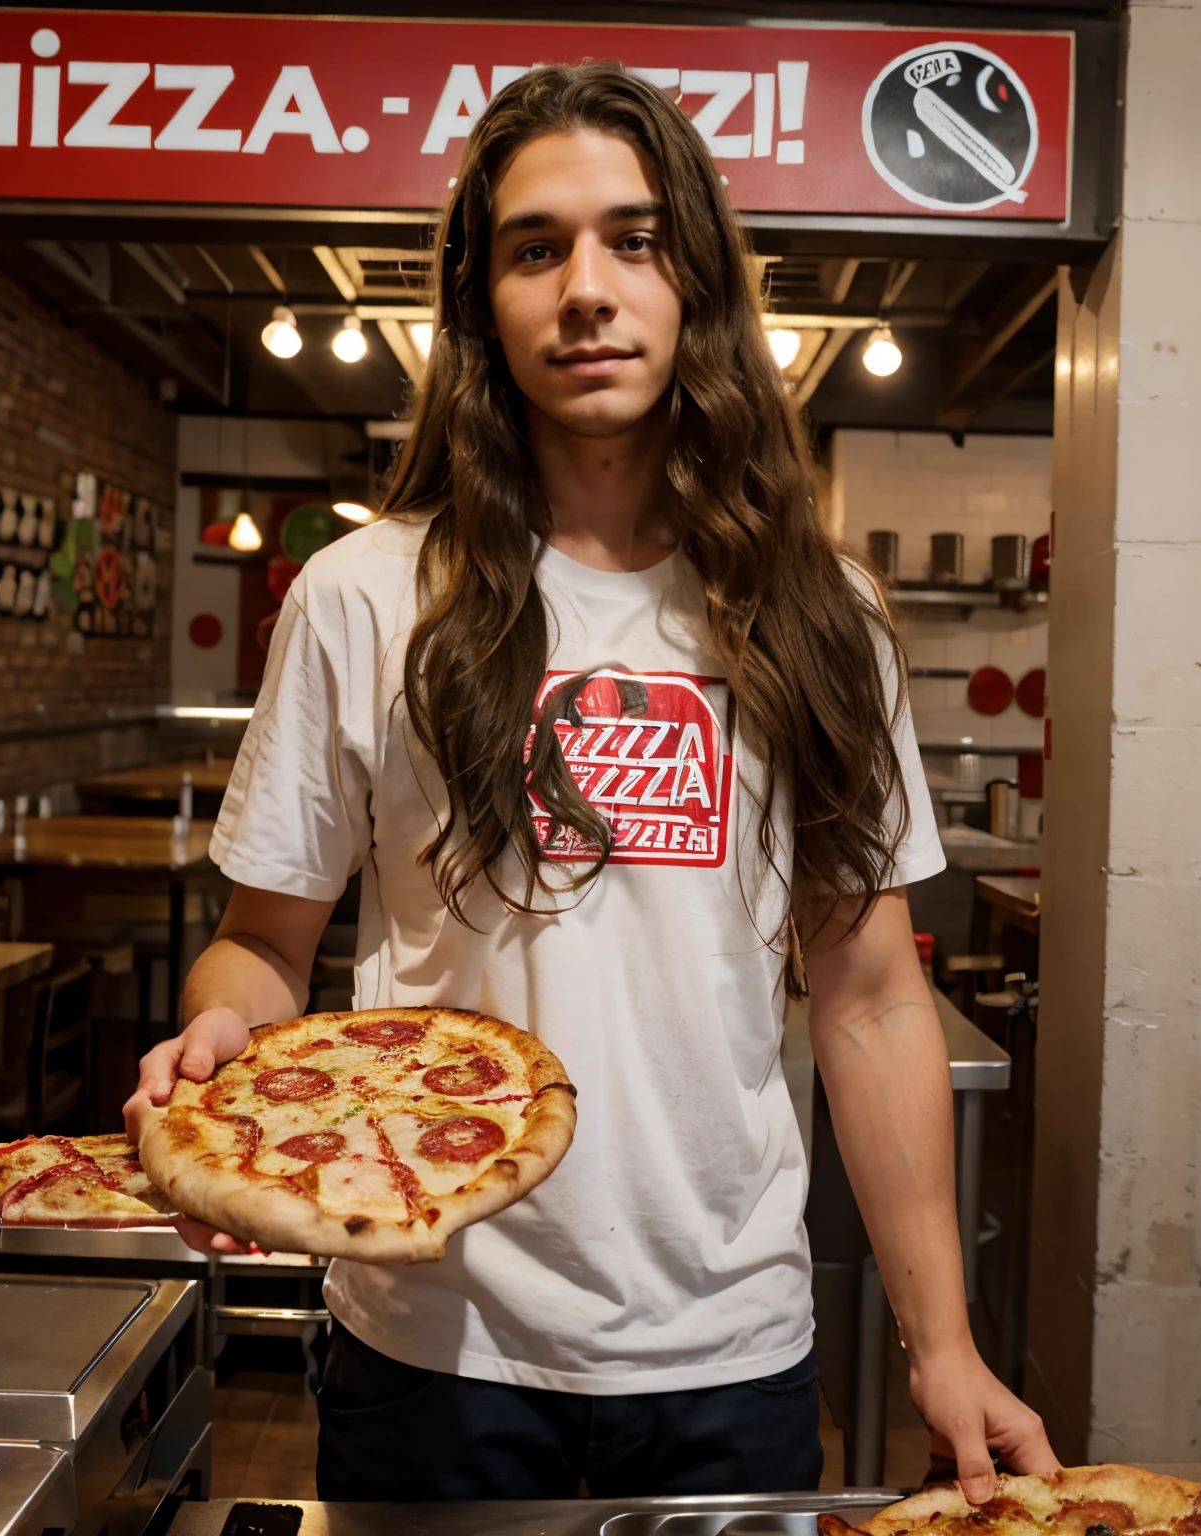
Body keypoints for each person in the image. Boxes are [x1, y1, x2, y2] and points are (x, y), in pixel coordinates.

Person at [126, 63, 1057, 1502]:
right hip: (434, 1340)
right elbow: (263, 947)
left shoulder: (826, 613)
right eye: (535, 246)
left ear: (695, 282)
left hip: (734, 1345)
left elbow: (868, 995)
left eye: (633, 239)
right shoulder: (364, 596)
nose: (587, 287)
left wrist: (943, 1342)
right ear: (483, 304)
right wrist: (216, 1054)